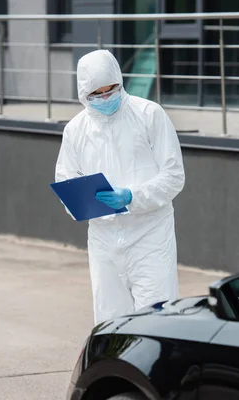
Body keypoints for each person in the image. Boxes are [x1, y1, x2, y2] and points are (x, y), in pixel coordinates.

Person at [54, 49, 186, 325]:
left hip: (150, 235)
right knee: (111, 321)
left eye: (110, 90)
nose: (104, 98)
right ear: (83, 94)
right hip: (104, 239)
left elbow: (174, 175)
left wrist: (132, 197)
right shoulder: (76, 130)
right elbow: (67, 180)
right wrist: (78, 203)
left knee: (157, 317)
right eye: (96, 94)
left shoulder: (149, 114)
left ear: (120, 82)